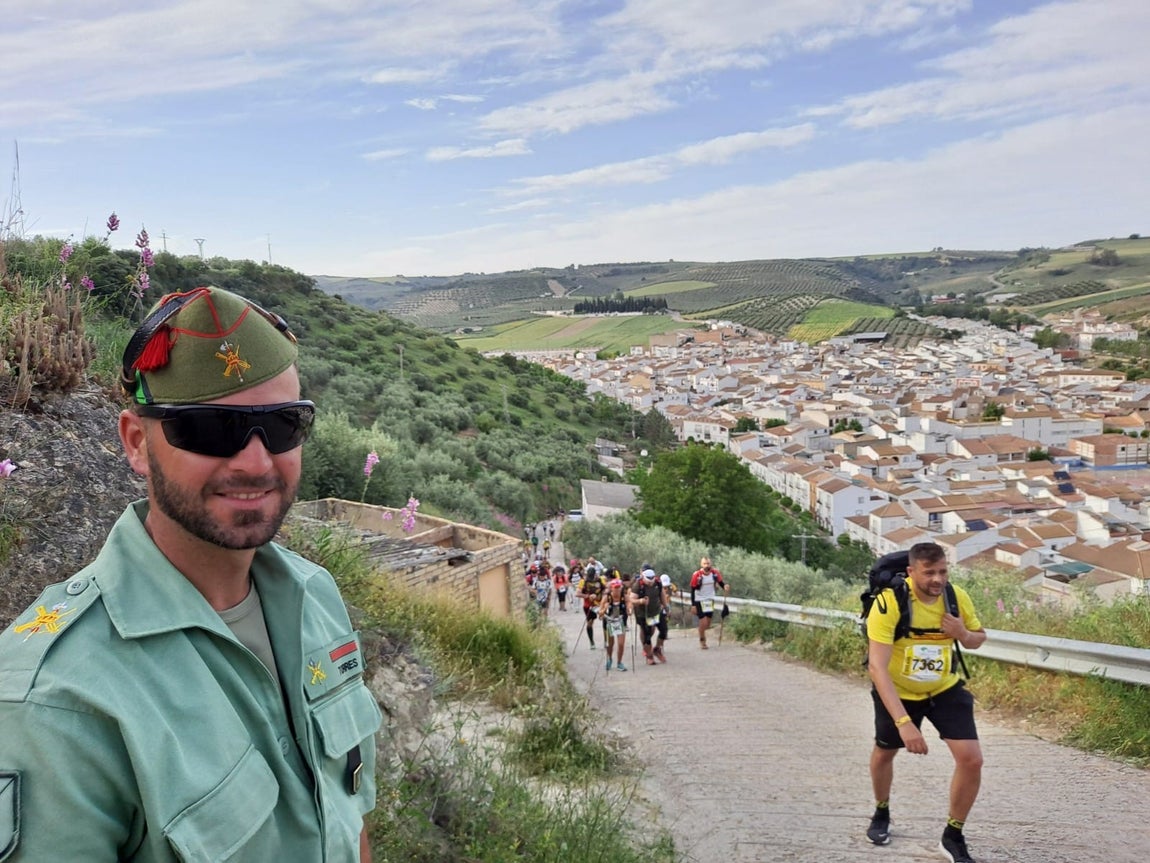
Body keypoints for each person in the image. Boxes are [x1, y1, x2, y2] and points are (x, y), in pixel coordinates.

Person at [0, 286, 381, 861]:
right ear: (135, 442)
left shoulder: (315, 597)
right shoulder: (55, 700)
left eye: (282, 426)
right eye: (209, 429)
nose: (255, 462)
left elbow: (348, 815)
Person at [865, 542, 986, 863]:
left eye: (943, 571)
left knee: (971, 759)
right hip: (898, 690)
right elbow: (877, 667)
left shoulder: (956, 597)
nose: (938, 579)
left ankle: (953, 834)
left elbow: (978, 638)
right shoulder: (889, 603)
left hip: (944, 688)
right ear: (911, 572)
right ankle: (881, 811)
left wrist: (961, 632)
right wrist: (905, 724)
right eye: (929, 572)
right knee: (884, 752)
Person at [630, 564, 667, 664]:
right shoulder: (638, 585)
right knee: (647, 635)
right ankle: (649, 656)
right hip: (643, 613)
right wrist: (641, 601)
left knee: (664, 631)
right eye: (648, 582)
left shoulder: (658, 583)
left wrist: (666, 607)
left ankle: (657, 649)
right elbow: (632, 599)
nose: (650, 583)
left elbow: (662, 595)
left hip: (657, 611)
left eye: (652, 581)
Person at [689, 556, 729, 649]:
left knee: (707, 624)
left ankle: (702, 632)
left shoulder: (715, 573)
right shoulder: (697, 575)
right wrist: (693, 605)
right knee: (703, 621)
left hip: (710, 599)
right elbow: (692, 590)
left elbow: (721, 583)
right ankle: (702, 640)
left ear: (711, 564)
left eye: (708, 563)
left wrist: (725, 587)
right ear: (701, 565)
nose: (707, 566)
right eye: (705, 564)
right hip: (699, 599)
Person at [598, 579, 630, 671]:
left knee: (621, 644)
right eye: (615, 588)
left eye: (619, 587)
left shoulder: (624, 597)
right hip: (609, 622)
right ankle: (609, 659)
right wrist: (604, 609)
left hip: (620, 622)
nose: (617, 589)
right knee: (610, 644)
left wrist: (629, 609)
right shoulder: (606, 598)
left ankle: (619, 662)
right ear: (611, 588)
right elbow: (600, 613)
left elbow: (630, 603)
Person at [577, 564, 607, 649]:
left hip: (600, 604)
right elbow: (578, 593)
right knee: (590, 623)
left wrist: (602, 595)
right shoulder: (583, 581)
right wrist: (587, 596)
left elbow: (606, 589)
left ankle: (606, 641)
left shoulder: (601, 580)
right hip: (589, 605)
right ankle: (592, 642)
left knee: (605, 620)